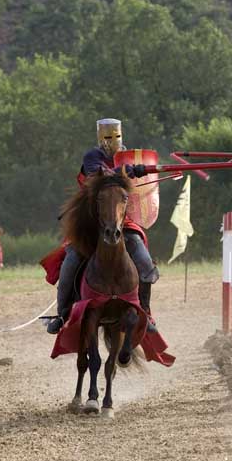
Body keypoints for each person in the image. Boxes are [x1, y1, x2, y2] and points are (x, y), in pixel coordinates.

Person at [46, 118, 155, 335]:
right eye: (107, 136)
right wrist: (130, 170)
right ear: (100, 137)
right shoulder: (92, 157)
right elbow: (100, 175)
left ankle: (145, 311)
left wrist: (143, 169)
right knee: (72, 259)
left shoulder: (127, 156)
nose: (112, 140)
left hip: (122, 218)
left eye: (115, 136)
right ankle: (62, 312)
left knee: (143, 260)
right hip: (92, 220)